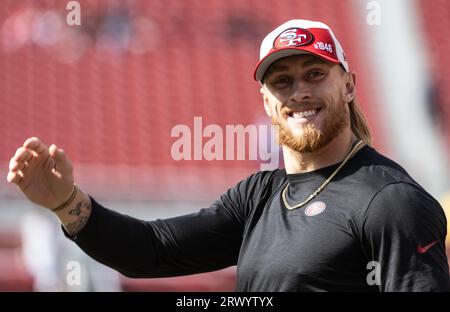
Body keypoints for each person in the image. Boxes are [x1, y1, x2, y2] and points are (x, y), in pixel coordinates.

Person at [6, 19, 449, 291]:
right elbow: (152, 251)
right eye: (282, 82)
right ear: (266, 102)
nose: (300, 92)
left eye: (316, 74)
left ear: (348, 85)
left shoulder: (391, 201)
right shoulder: (258, 196)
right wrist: (67, 205)